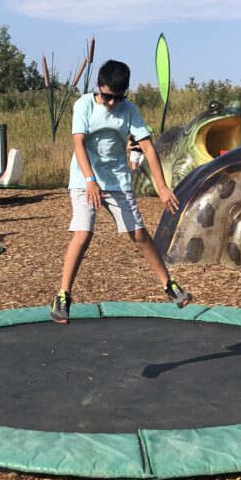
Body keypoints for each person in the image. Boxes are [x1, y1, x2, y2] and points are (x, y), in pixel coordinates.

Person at [50, 59, 192, 324]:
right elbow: (78, 144)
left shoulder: (129, 109)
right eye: (107, 96)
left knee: (138, 233)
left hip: (117, 179)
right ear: (98, 87)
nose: (112, 102)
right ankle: (63, 297)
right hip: (84, 177)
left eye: (118, 97)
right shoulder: (84, 105)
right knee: (84, 232)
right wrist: (91, 179)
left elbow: (148, 148)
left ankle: (170, 286)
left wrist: (162, 186)